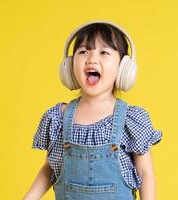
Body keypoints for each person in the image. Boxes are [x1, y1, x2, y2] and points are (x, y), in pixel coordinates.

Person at [23, 20, 163, 200]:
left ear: (123, 68)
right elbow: (50, 167)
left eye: (104, 52)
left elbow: (145, 173)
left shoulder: (130, 119)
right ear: (69, 65)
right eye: (83, 52)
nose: (92, 59)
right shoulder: (60, 118)